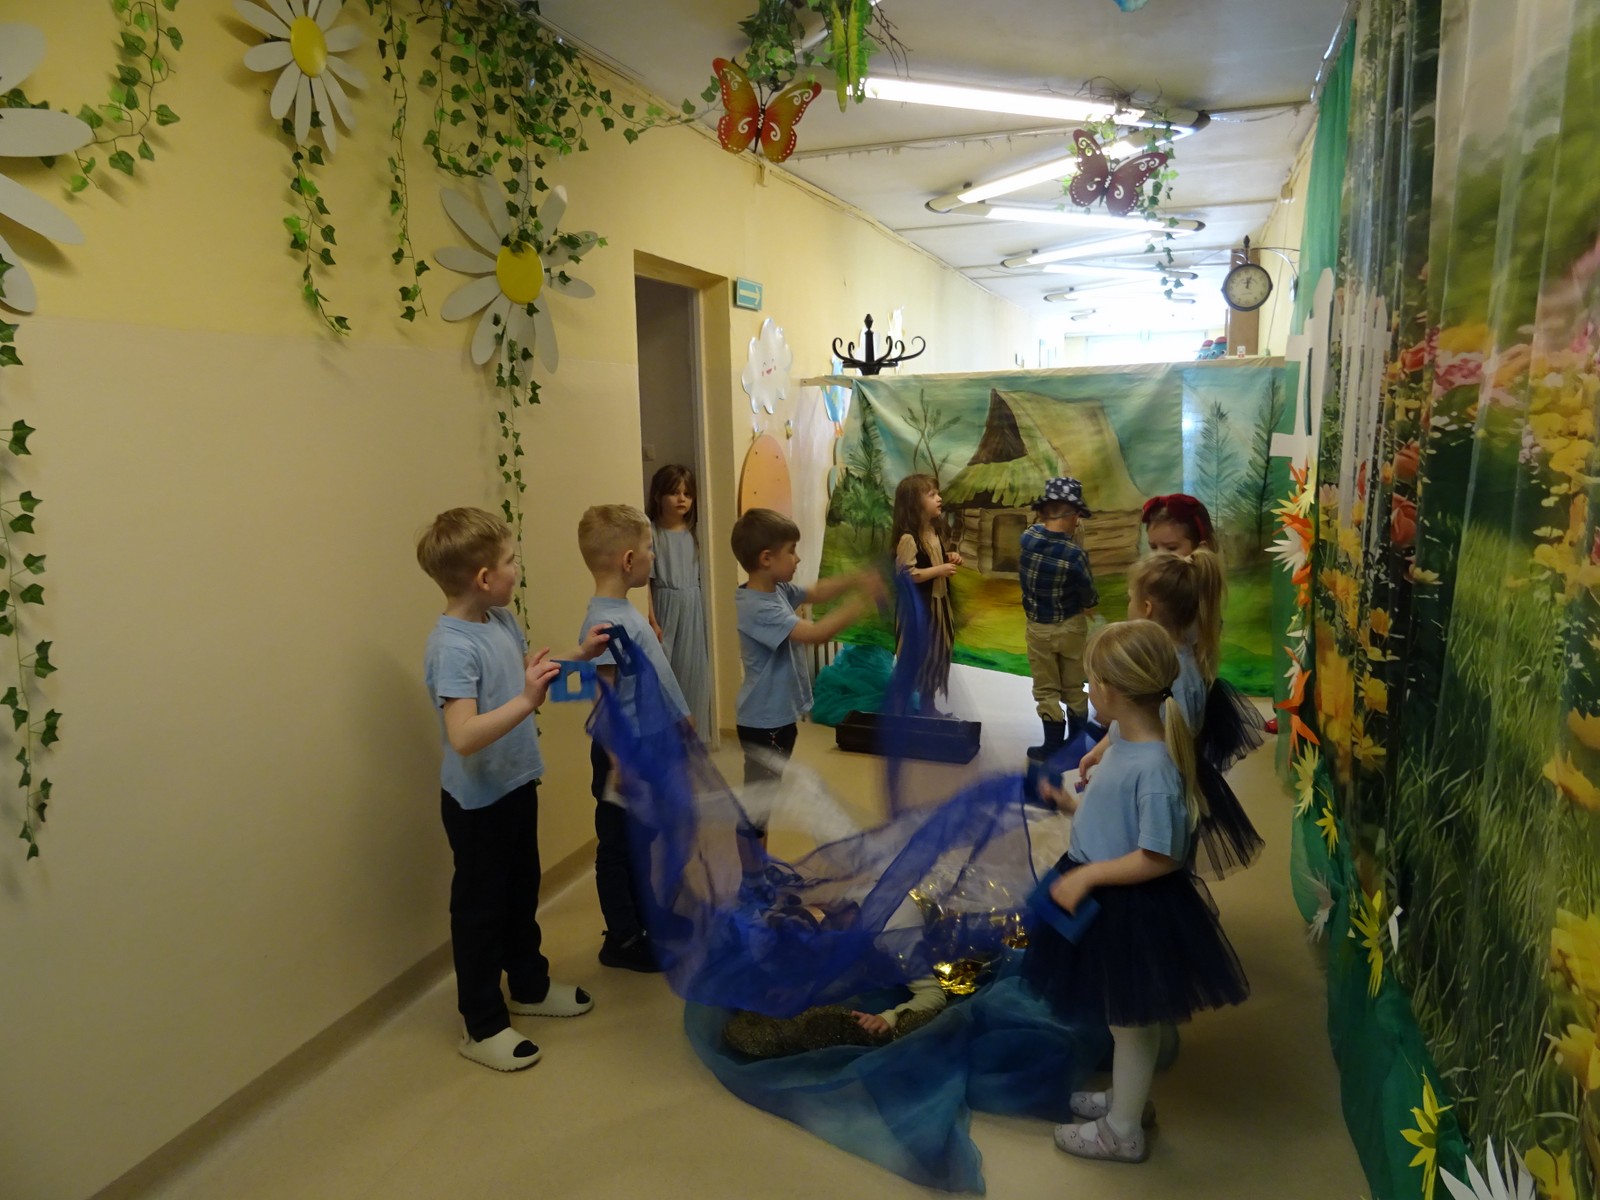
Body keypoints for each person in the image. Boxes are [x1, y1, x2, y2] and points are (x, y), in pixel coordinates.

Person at [1026, 620, 1249, 1163]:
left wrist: (1089, 876)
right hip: (1106, 891)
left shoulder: (1155, 768)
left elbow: (1160, 855)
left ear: (1113, 691)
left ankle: (1122, 1130)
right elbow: (1117, 817)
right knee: (1125, 1019)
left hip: (1128, 906)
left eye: (1090, 682)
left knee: (1129, 1022)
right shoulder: (1125, 740)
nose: (1087, 690)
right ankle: (1127, 1099)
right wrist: (1073, 805)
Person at [416, 507, 607, 1071]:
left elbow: (522, 671)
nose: (516, 568)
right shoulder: (452, 646)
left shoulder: (498, 621)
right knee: (481, 913)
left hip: (516, 784)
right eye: (509, 560)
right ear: (483, 577)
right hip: (477, 804)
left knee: (522, 894)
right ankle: (481, 1026)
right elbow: (463, 735)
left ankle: (529, 986)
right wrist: (527, 701)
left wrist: (578, 656)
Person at [1079, 550, 1264, 877]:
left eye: (1130, 598)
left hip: (1156, 803)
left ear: (1146, 608)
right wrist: (1101, 750)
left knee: (1153, 864)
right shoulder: (1163, 658)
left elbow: (1161, 755)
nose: (1128, 604)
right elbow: (1136, 722)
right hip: (1142, 791)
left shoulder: (1174, 680)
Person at [579, 503, 695, 973]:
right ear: (629, 561)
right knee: (617, 846)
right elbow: (603, 698)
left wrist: (680, 717)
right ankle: (623, 937)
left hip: (647, 745)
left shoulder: (626, 611)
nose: (654, 557)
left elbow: (654, 674)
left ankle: (648, 916)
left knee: (642, 838)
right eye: (650, 548)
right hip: (622, 754)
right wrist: (618, 761)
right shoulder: (603, 623)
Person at [731, 507, 881, 791]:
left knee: (767, 794)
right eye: (791, 550)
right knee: (759, 799)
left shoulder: (777, 590)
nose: (797, 558)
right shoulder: (758, 607)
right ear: (766, 558)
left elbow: (816, 592)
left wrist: (855, 579)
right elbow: (815, 634)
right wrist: (861, 603)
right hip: (764, 723)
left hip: (778, 717)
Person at [1139, 492, 1270, 759]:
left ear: (1201, 546)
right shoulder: (1164, 588)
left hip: (1180, 699)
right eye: (1153, 547)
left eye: (1171, 548)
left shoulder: (1190, 595)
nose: (1159, 557)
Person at [1020, 477, 1099, 761]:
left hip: (1038, 628)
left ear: (1043, 512)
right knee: (1074, 685)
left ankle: (1052, 745)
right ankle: (1076, 746)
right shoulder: (1075, 555)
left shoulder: (1028, 538)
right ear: (1072, 515)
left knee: (1046, 688)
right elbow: (1088, 594)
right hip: (1071, 627)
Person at [646, 464, 713, 732]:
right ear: (658, 496)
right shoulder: (651, 533)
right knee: (662, 674)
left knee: (692, 672)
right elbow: (646, 582)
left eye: (687, 493)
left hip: (692, 607)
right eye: (674, 493)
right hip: (664, 604)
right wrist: (652, 619)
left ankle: (689, 738)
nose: (682, 499)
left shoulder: (697, 533)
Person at [890, 474, 961, 716]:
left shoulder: (934, 531)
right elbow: (907, 574)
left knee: (936, 658)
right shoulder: (908, 539)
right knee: (913, 659)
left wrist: (949, 557)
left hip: (939, 606)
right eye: (931, 495)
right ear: (914, 503)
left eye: (937, 493)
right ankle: (898, 715)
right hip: (917, 611)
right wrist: (940, 569)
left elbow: (933, 558)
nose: (939, 498)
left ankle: (928, 708)